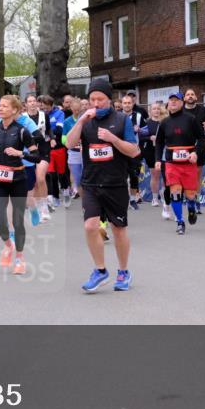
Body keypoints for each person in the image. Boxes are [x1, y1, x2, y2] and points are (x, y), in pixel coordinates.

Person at [65, 79, 139, 294]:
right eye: (92, 99)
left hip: (115, 183)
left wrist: (113, 139)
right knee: (90, 226)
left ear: (109, 100)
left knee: (118, 229)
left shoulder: (122, 119)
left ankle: (123, 271)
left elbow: (133, 151)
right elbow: (69, 144)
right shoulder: (84, 120)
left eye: (100, 99)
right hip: (91, 183)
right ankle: (100, 270)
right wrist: (80, 122)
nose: (96, 103)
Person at [0, 95, 40, 275]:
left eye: (4, 106)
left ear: (15, 110)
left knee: (17, 221)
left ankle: (19, 257)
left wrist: (20, 153)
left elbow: (36, 156)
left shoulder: (22, 131)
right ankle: (8, 245)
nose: (0, 109)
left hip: (18, 179)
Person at [156, 92, 205, 235]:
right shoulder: (164, 122)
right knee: (175, 193)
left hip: (188, 163)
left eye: (176, 100)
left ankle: (191, 208)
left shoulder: (191, 119)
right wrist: (158, 160)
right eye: (171, 100)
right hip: (172, 163)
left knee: (190, 195)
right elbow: (159, 142)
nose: (173, 102)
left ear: (181, 103)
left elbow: (201, 139)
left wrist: (195, 152)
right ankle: (180, 221)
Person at [182, 88, 205, 213]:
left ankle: (196, 200)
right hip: (183, 145)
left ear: (196, 97)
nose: (190, 96)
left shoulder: (203, 110)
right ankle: (187, 197)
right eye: (188, 94)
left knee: (197, 175)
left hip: (199, 145)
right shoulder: (180, 110)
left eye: (192, 94)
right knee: (183, 174)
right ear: (184, 98)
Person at [24, 95, 51, 223]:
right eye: (30, 101)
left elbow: (49, 131)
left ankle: (44, 206)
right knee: (32, 182)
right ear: (26, 104)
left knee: (40, 178)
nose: (32, 103)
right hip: (29, 150)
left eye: (34, 101)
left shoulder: (44, 115)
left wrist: (52, 139)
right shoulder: (23, 118)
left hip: (43, 148)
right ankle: (34, 207)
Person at [141, 101, 170, 218]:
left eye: (158, 109)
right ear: (150, 111)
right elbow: (140, 136)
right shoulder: (147, 122)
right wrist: (150, 137)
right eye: (154, 109)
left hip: (164, 151)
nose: (156, 111)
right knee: (155, 175)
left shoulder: (165, 122)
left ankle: (164, 196)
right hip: (151, 151)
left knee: (165, 175)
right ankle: (154, 198)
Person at [62, 97, 83, 207]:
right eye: (74, 109)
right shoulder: (67, 121)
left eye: (78, 109)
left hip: (84, 152)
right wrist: (70, 142)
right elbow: (63, 138)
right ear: (71, 108)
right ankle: (75, 188)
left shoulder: (85, 119)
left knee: (85, 175)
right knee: (76, 175)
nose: (76, 111)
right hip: (73, 152)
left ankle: (86, 201)